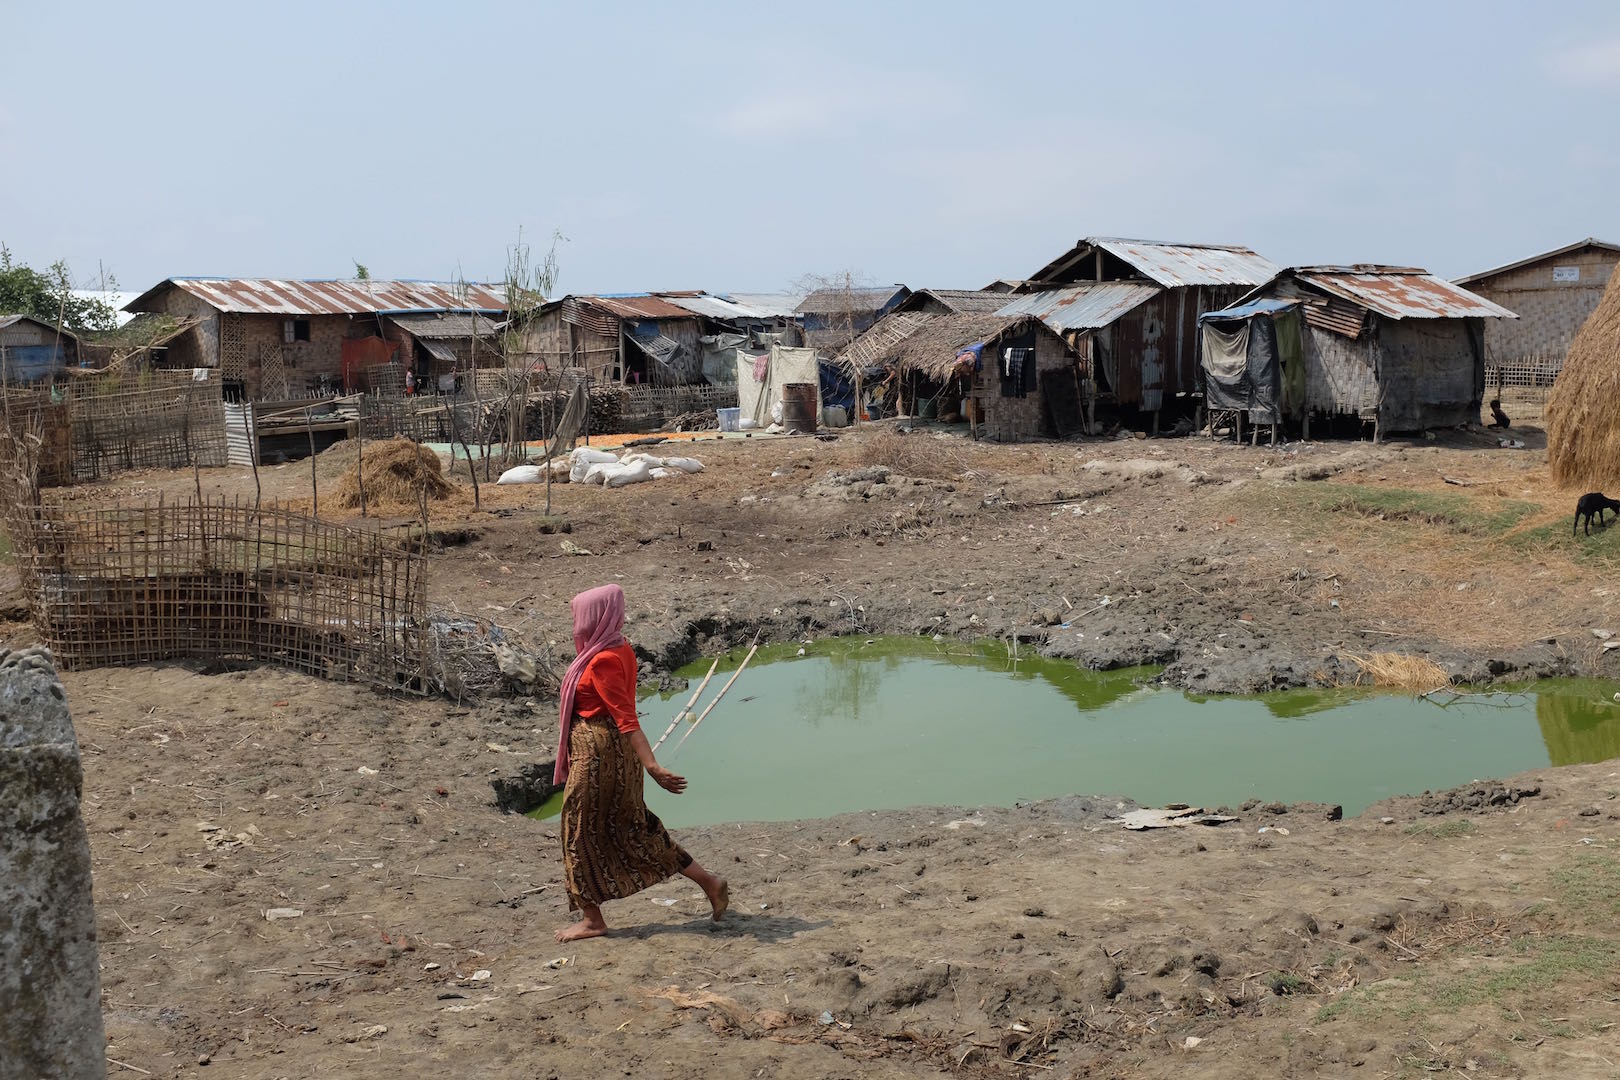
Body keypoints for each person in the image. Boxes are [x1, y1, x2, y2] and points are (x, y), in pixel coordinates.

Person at [553, 584, 728, 941]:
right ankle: (709, 882)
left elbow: (626, 718)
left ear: (594, 618)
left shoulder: (602, 660)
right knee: (633, 826)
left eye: (580, 618)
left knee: (578, 831)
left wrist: (654, 767)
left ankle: (592, 920)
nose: (576, 626)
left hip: (600, 759)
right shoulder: (618, 646)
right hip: (613, 756)